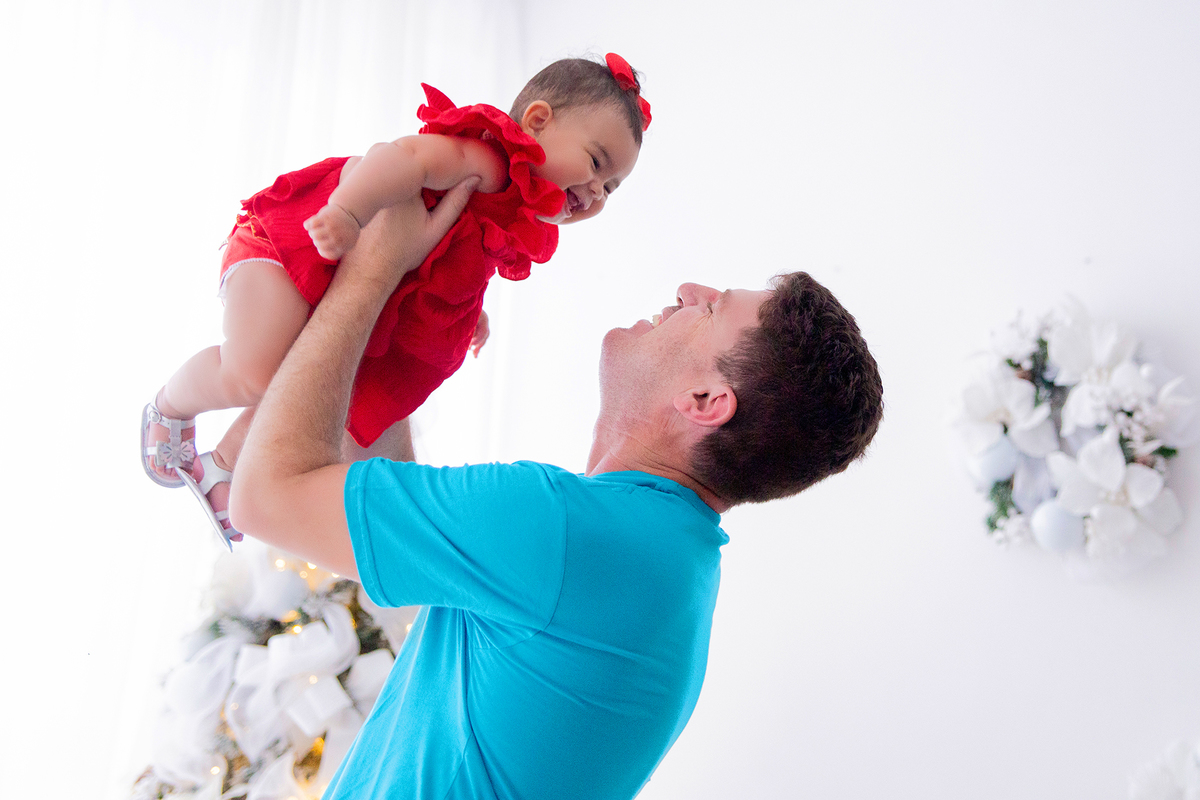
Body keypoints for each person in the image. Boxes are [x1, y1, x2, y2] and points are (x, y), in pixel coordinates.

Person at [227, 185, 885, 799]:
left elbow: (266, 498)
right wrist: (412, 316)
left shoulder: (570, 533)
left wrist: (371, 270)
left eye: (712, 307)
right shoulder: (653, 556)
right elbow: (376, 521)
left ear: (707, 400)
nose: (690, 288)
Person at [140, 53, 650, 545]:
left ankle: (223, 467)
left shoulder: (511, 213)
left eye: (612, 186)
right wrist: (349, 211)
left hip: (330, 286)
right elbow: (402, 156)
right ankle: (170, 406)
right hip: (293, 243)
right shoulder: (487, 158)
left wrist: (470, 312)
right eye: (596, 161)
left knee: (320, 387)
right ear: (538, 121)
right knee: (259, 373)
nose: (598, 192)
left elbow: (452, 260)